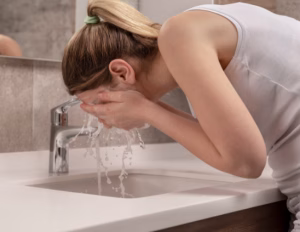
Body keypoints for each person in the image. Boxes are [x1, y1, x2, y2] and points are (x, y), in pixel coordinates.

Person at [62, 0, 300, 231]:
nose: (105, 121)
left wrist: (144, 109)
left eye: (99, 102)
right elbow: (229, 143)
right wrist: (145, 107)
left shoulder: (179, 35)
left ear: (122, 72)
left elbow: (246, 163)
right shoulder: (189, 36)